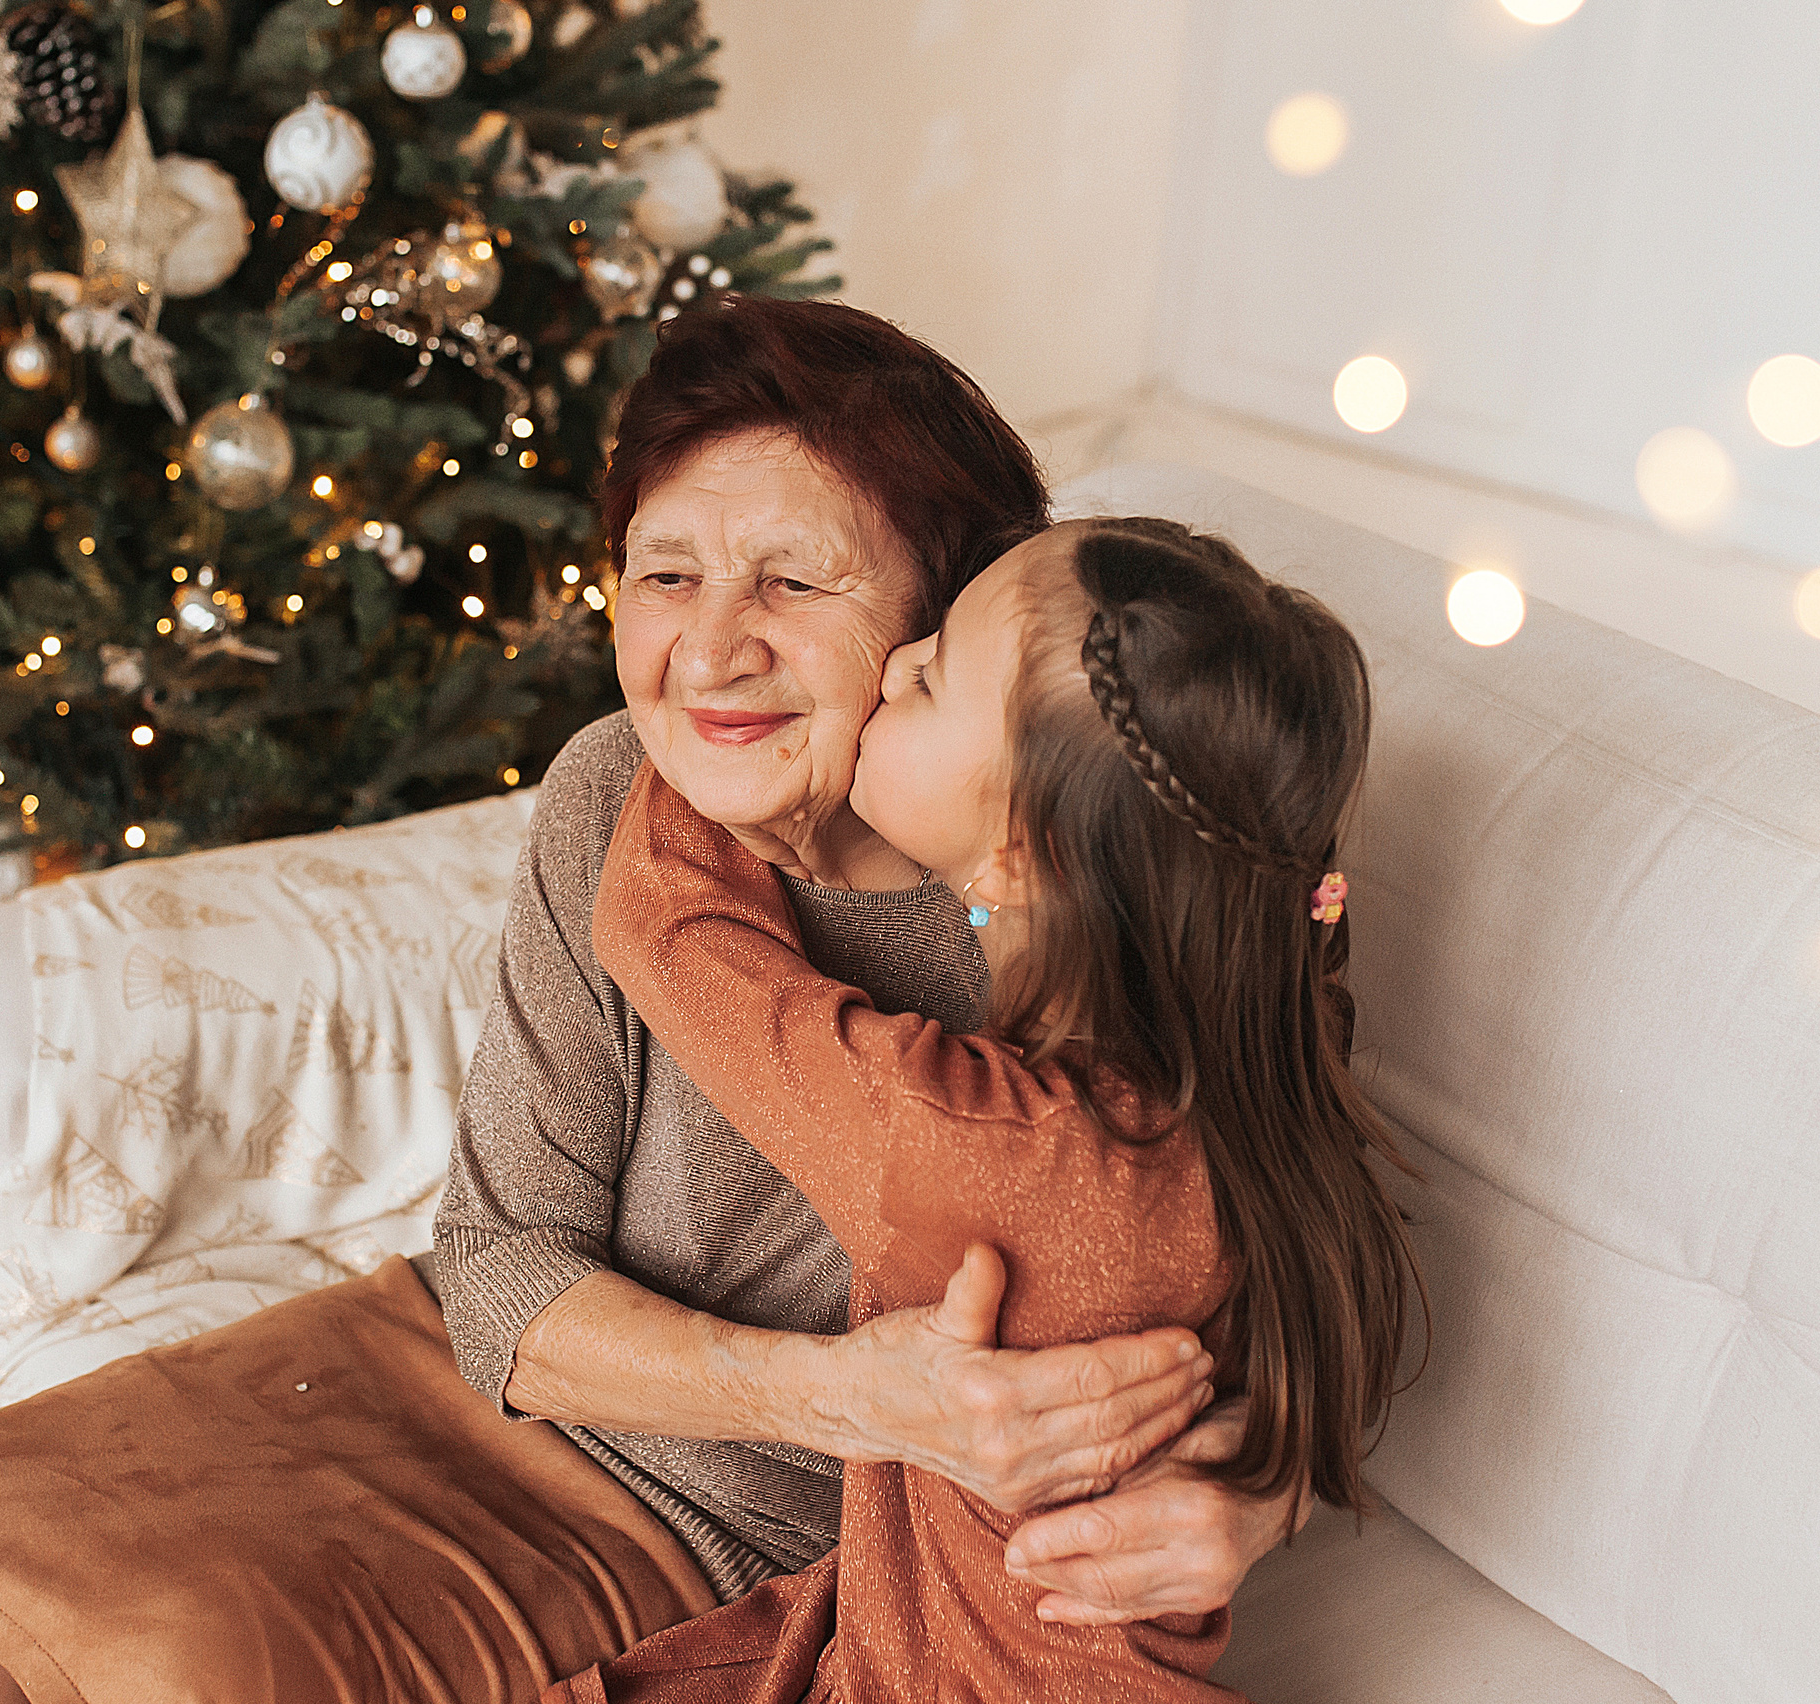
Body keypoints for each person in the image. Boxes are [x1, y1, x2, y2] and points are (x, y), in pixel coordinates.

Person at [0, 300, 1302, 1704]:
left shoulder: (1079, 898)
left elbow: (1287, 1246)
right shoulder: (621, 789)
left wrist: (1261, 1490)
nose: (712, 649)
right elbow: (494, 1270)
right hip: (481, 1368)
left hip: (726, 1523)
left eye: (795, 583)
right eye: (667, 575)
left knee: (199, 1665)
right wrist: (841, 1389)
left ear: (948, 613)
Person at [543, 516, 1421, 1701]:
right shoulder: (1255, 1082)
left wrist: (696, 711)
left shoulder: (976, 1144)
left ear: (1015, 854)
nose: (897, 661)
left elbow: (669, 933)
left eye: (937, 664)